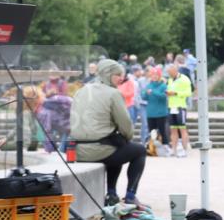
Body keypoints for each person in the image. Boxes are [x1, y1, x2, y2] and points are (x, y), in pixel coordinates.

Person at [69, 60, 146, 206]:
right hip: (100, 150)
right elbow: (126, 124)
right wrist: (126, 137)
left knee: (116, 143)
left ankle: (112, 194)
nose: (121, 79)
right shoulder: (113, 93)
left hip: (78, 150)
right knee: (138, 150)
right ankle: (130, 195)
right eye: (118, 75)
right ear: (107, 74)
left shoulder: (81, 90)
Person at [0, 85, 43, 152]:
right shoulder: (29, 112)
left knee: (2, 146)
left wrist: (24, 144)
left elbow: (26, 131)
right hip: (33, 143)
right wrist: (6, 138)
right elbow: (18, 128)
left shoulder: (25, 114)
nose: (9, 101)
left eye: (12, 98)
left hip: (26, 143)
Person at [166, 63, 193, 157]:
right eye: (168, 73)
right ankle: (173, 150)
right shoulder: (169, 80)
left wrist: (176, 93)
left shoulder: (184, 79)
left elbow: (189, 92)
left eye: (170, 72)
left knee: (182, 129)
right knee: (173, 129)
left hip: (180, 107)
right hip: (171, 106)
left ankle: (184, 150)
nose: (169, 74)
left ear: (175, 70)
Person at [143, 66, 170, 155]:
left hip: (161, 113)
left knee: (162, 131)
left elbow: (163, 97)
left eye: (156, 75)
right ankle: (152, 148)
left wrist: (153, 92)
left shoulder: (163, 85)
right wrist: (146, 93)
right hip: (150, 113)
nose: (154, 76)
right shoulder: (149, 85)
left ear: (159, 76)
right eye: (152, 75)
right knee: (152, 132)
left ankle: (166, 146)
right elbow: (144, 97)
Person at [132, 65, 150, 145]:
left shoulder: (154, 80)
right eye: (150, 72)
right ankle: (143, 142)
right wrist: (139, 103)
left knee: (150, 124)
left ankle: (149, 142)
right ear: (146, 72)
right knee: (145, 124)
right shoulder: (140, 81)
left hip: (152, 105)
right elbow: (137, 93)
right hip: (142, 104)